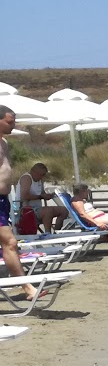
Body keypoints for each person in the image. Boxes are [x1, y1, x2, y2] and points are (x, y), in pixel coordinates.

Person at [0, 107, 40, 301]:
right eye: (9, 122)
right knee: (10, 242)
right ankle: (28, 288)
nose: (13, 125)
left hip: (3, 201)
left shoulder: (4, 143)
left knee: (8, 243)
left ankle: (28, 288)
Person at [18, 163, 67, 233]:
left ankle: (56, 232)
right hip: (26, 209)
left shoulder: (39, 180)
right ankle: (48, 233)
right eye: (41, 175)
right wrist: (41, 196)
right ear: (34, 172)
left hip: (37, 208)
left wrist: (48, 195)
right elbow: (24, 196)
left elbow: (42, 194)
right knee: (48, 211)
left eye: (43, 175)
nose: (42, 177)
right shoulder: (27, 178)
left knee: (63, 210)